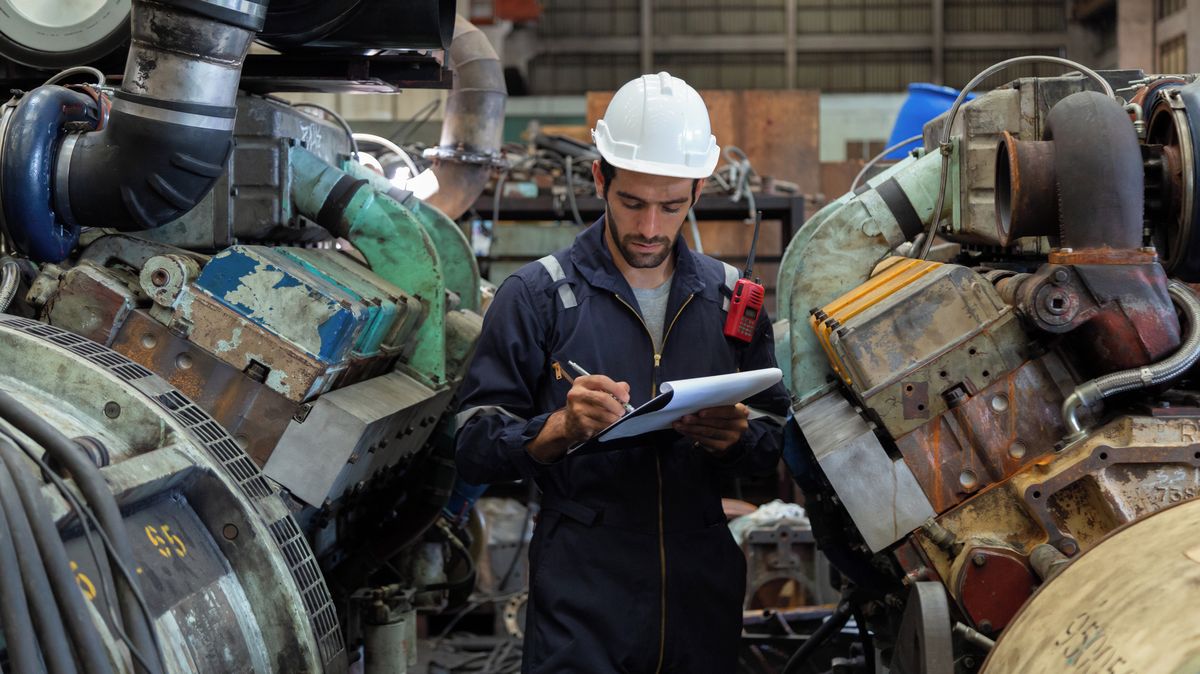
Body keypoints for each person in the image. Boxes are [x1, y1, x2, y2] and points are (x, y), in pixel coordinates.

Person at [454, 72, 789, 674]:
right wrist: (556, 430)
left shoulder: (730, 299)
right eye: (633, 203)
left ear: (698, 188)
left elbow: (774, 434)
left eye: (671, 206)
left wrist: (739, 437)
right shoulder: (535, 296)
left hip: (701, 592)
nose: (651, 229)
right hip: (583, 598)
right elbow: (473, 441)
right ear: (600, 178)